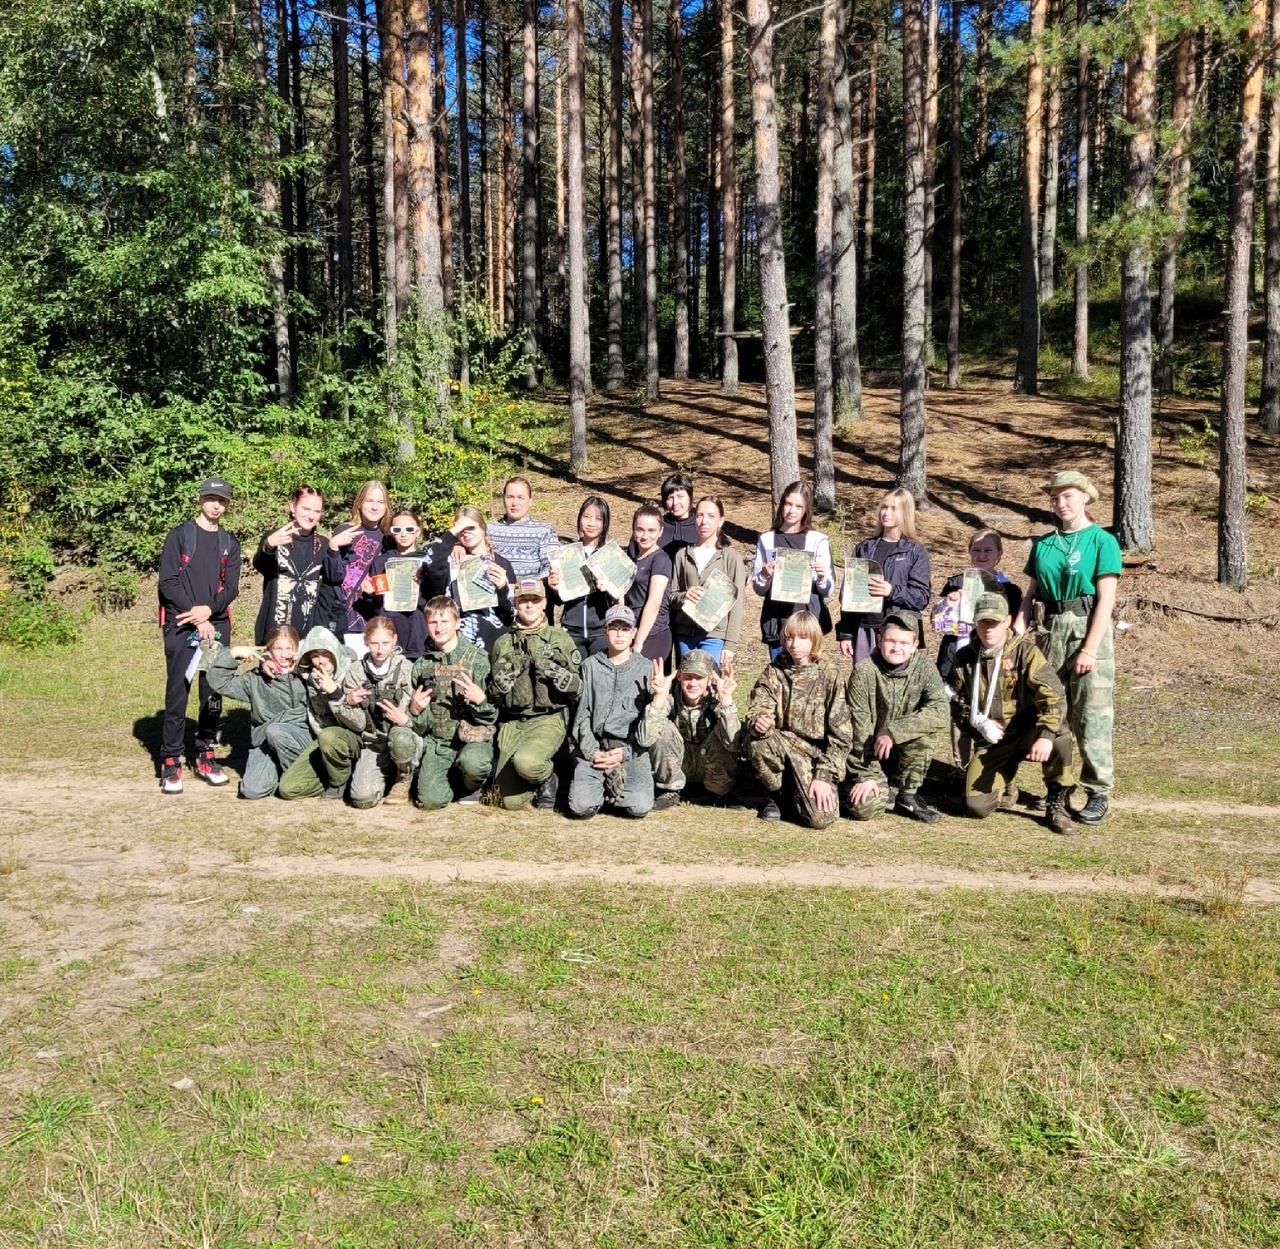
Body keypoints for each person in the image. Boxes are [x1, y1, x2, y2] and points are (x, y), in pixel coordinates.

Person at [1015, 470, 1121, 826]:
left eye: (1068, 496)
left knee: (1091, 714)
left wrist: (1090, 649)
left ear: (1086, 498)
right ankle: (1058, 787)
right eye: (1055, 498)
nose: (1061, 503)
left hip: (1087, 629)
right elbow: (1032, 592)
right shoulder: (1044, 544)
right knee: (1051, 711)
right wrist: (1021, 620)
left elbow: (1106, 600)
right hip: (1049, 631)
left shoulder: (1102, 541)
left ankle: (1098, 790)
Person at [952, 593, 1077, 835]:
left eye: (994, 623)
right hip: (994, 738)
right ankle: (1006, 779)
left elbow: (1054, 698)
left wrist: (1046, 734)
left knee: (1060, 736)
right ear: (975, 623)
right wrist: (978, 723)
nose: (988, 629)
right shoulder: (964, 659)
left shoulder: (1026, 654)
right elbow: (955, 702)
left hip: (1029, 729)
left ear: (1007, 621)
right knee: (976, 806)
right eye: (983, 622)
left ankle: (1056, 803)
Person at [157, 475, 242, 795]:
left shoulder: (229, 543)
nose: (216, 505)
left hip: (216, 624)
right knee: (178, 691)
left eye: (221, 500)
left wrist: (208, 612)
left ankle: (206, 753)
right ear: (200, 499)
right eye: (210, 498)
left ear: (227, 504)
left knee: (213, 691)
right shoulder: (180, 536)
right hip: (182, 623)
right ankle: (170, 760)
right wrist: (197, 614)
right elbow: (168, 582)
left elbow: (231, 587)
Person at [744, 610, 852, 827]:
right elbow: (759, 705)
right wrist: (760, 720)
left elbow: (841, 734)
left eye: (803, 638)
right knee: (758, 742)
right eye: (790, 637)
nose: (795, 644)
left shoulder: (829, 674)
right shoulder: (774, 671)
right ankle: (775, 794)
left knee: (820, 818)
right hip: (783, 744)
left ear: (815, 640)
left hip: (815, 753)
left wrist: (823, 775)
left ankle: (798, 791)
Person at [844, 609, 950, 823]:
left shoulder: (926, 669)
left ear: (914, 645)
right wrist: (866, 775)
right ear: (879, 639)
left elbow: (941, 711)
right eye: (891, 641)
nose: (896, 648)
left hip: (903, 752)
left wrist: (894, 732)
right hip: (869, 754)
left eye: (904, 643)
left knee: (925, 735)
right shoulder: (863, 671)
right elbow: (858, 729)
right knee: (865, 809)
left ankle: (907, 795)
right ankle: (871, 785)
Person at [488, 577, 584, 809]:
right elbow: (493, 696)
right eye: (523, 601)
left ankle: (548, 777)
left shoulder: (561, 639)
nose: (529, 605)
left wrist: (564, 679)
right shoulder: (503, 643)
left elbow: (580, 690)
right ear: (515, 604)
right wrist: (499, 687)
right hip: (513, 723)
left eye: (535, 600)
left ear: (544, 604)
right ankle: (536, 779)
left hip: (548, 720)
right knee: (509, 801)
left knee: (527, 762)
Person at [567, 605, 663, 819]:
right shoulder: (590, 666)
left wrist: (626, 753)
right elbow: (582, 716)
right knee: (580, 807)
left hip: (630, 751)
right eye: (614, 628)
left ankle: (613, 789)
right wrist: (593, 752)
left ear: (634, 632)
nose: (619, 634)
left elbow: (648, 727)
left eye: (625, 628)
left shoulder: (646, 668)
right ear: (604, 631)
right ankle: (600, 787)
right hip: (596, 750)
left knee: (638, 806)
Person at [408, 597, 498, 809]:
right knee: (430, 801)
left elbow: (494, 716)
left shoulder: (478, 660)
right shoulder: (422, 666)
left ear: (457, 623)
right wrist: (416, 711)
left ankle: (472, 784)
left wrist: (482, 701)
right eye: (433, 622)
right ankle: (451, 781)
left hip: (472, 742)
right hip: (439, 745)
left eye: (445, 621)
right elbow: (421, 726)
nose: (439, 628)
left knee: (474, 764)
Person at [206, 626, 311, 800]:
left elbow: (347, 656)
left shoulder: (308, 673)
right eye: (278, 648)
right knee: (252, 790)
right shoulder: (256, 679)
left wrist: (306, 656)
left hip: (301, 739)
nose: (284, 655)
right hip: (265, 745)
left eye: (289, 648)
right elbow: (217, 681)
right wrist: (234, 653)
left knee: (277, 731)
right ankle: (278, 771)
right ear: (269, 650)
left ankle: (300, 776)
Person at [838, 487, 933, 663]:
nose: (886, 512)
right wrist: (846, 633)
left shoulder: (915, 551)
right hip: (865, 630)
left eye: (893, 508)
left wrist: (891, 591)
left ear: (906, 512)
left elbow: (921, 597)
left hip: (899, 632)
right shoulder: (864, 548)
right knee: (865, 686)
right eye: (884, 507)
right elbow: (848, 595)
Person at [277, 626, 366, 801]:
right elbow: (282, 659)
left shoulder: (353, 671)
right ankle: (337, 775)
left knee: (329, 736)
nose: (320, 660)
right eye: (315, 655)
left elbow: (359, 723)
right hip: (323, 741)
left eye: (325, 653)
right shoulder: (308, 674)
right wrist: (266, 659)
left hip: (354, 739)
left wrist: (335, 692)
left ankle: (340, 783)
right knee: (288, 789)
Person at [341, 615, 421, 808]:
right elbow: (356, 723)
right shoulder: (355, 672)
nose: (380, 649)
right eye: (374, 643)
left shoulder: (407, 669)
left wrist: (405, 719)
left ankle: (405, 777)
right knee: (362, 799)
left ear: (394, 640)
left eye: (385, 643)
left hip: (404, 738)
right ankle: (384, 779)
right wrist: (349, 703)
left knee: (401, 738)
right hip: (374, 744)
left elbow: (419, 715)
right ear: (366, 642)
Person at [751, 481, 836, 660]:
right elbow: (758, 590)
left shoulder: (818, 540)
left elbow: (827, 590)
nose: (792, 510)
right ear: (781, 504)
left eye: (798, 506)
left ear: (806, 510)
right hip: (776, 621)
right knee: (779, 678)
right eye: (788, 504)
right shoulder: (766, 540)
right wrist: (764, 575)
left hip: (808, 622)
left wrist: (822, 577)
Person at [649, 649, 743, 809]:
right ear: (679, 676)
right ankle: (670, 790)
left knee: (721, 731)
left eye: (699, 678)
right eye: (688, 677)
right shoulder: (669, 698)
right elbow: (646, 738)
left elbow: (733, 744)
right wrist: (659, 698)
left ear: (710, 679)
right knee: (662, 727)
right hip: (680, 764)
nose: (693, 683)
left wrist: (726, 700)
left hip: (707, 765)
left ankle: (718, 792)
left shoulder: (717, 700)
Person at [420, 506, 517, 649]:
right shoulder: (451, 561)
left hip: (495, 641)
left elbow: (510, 613)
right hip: (459, 643)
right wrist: (452, 536)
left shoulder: (502, 563)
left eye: (471, 527)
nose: (466, 533)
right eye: (461, 530)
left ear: (483, 528)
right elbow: (429, 562)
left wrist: (502, 589)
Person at [669, 495, 747, 667]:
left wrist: (730, 644)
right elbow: (672, 596)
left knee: (710, 687)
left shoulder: (731, 558)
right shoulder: (682, 555)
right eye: (699, 515)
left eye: (711, 516)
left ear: (720, 521)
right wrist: (684, 596)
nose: (704, 521)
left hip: (715, 637)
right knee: (688, 686)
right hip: (685, 635)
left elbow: (737, 603)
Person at [252, 485, 332, 645]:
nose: (311, 516)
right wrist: (268, 545)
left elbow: (327, 591)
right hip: (275, 630)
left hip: (307, 633)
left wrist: (319, 630)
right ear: (292, 507)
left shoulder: (323, 545)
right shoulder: (276, 537)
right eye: (306, 509)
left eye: (317, 511)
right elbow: (261, 565)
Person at [323, 479, 390, 658]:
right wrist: (334, 547)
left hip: (371, 615)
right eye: (370, 501)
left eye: (380, 502)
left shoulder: (388, 538)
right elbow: (333, 576)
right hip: (341, 615)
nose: (375, 507)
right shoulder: (346, 530)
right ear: (360, 503)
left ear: (386, 507)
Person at [549, 496, 615, 659]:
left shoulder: (610, 555)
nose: (591, 523)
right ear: (579, 519)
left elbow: (619, 597)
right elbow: (559, 600)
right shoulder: (566, 555)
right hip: (572, 632)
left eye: (598, 519)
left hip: (601, 632)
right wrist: (554, 588)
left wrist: (608, 589)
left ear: (605, 523)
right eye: (586, 517)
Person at [373, 509, 429, 660]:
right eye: (397, 530)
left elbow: (434, 599)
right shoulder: (381, 562)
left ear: (418, 532)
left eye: (409, 529)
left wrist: (426, 581)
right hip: (389, 631)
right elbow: (376, 604)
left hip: (418, 632)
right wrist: (371, 591)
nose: (403, 534)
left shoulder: (427, 561)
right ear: (391, 532)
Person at [624, 503, 675, 663]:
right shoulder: (633, 559)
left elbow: (654, 602)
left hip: (653, 635)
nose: (645, 535)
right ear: (633, 530)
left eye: (651, 530)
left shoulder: (660, 560)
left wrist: (639, 642)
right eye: (640, 529)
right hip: (632, 630)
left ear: (660, 531)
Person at [487, 476, 559, 578]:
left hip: (531, 590)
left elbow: (551, 567)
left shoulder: (544, 531)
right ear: (503, 499)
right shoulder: (488, 530)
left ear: (530, 501)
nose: (514, 503)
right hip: (495, 590)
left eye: (520, 498)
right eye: (510, 497)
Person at [660, 472, 698, 558]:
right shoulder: (657, 526)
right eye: (670, 498)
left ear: (690, 497)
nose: (675, 503)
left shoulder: (701, 527)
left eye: (680, 496)